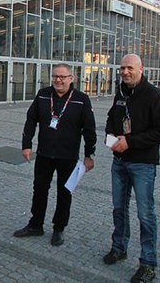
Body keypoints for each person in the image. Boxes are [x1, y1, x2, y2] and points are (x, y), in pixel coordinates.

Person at [103, 54, 160, 283]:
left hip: (142, 164)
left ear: (141, 69)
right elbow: (112, 118)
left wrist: (130, 142)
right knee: (118, 208)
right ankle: (119, 247)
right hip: (119, 162)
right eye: (121, 68)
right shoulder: (121, 92)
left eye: (129, 68)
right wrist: (111, 136)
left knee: (145, 213)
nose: (124, 71)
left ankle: (148, 264)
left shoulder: (155, 96)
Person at [13, 63, 97, 247]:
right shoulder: (43, 95)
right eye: (55, 76)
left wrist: (89, 154)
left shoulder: (81, 99)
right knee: (39, 190)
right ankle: (36, 225)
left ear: (71, 78)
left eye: (62, 77)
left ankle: (59, 228)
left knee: (65, 192)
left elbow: (89, 129)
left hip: (68, 157)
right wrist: (26, 145)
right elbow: (30, 120)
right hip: (44, 154)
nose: (58, 80)